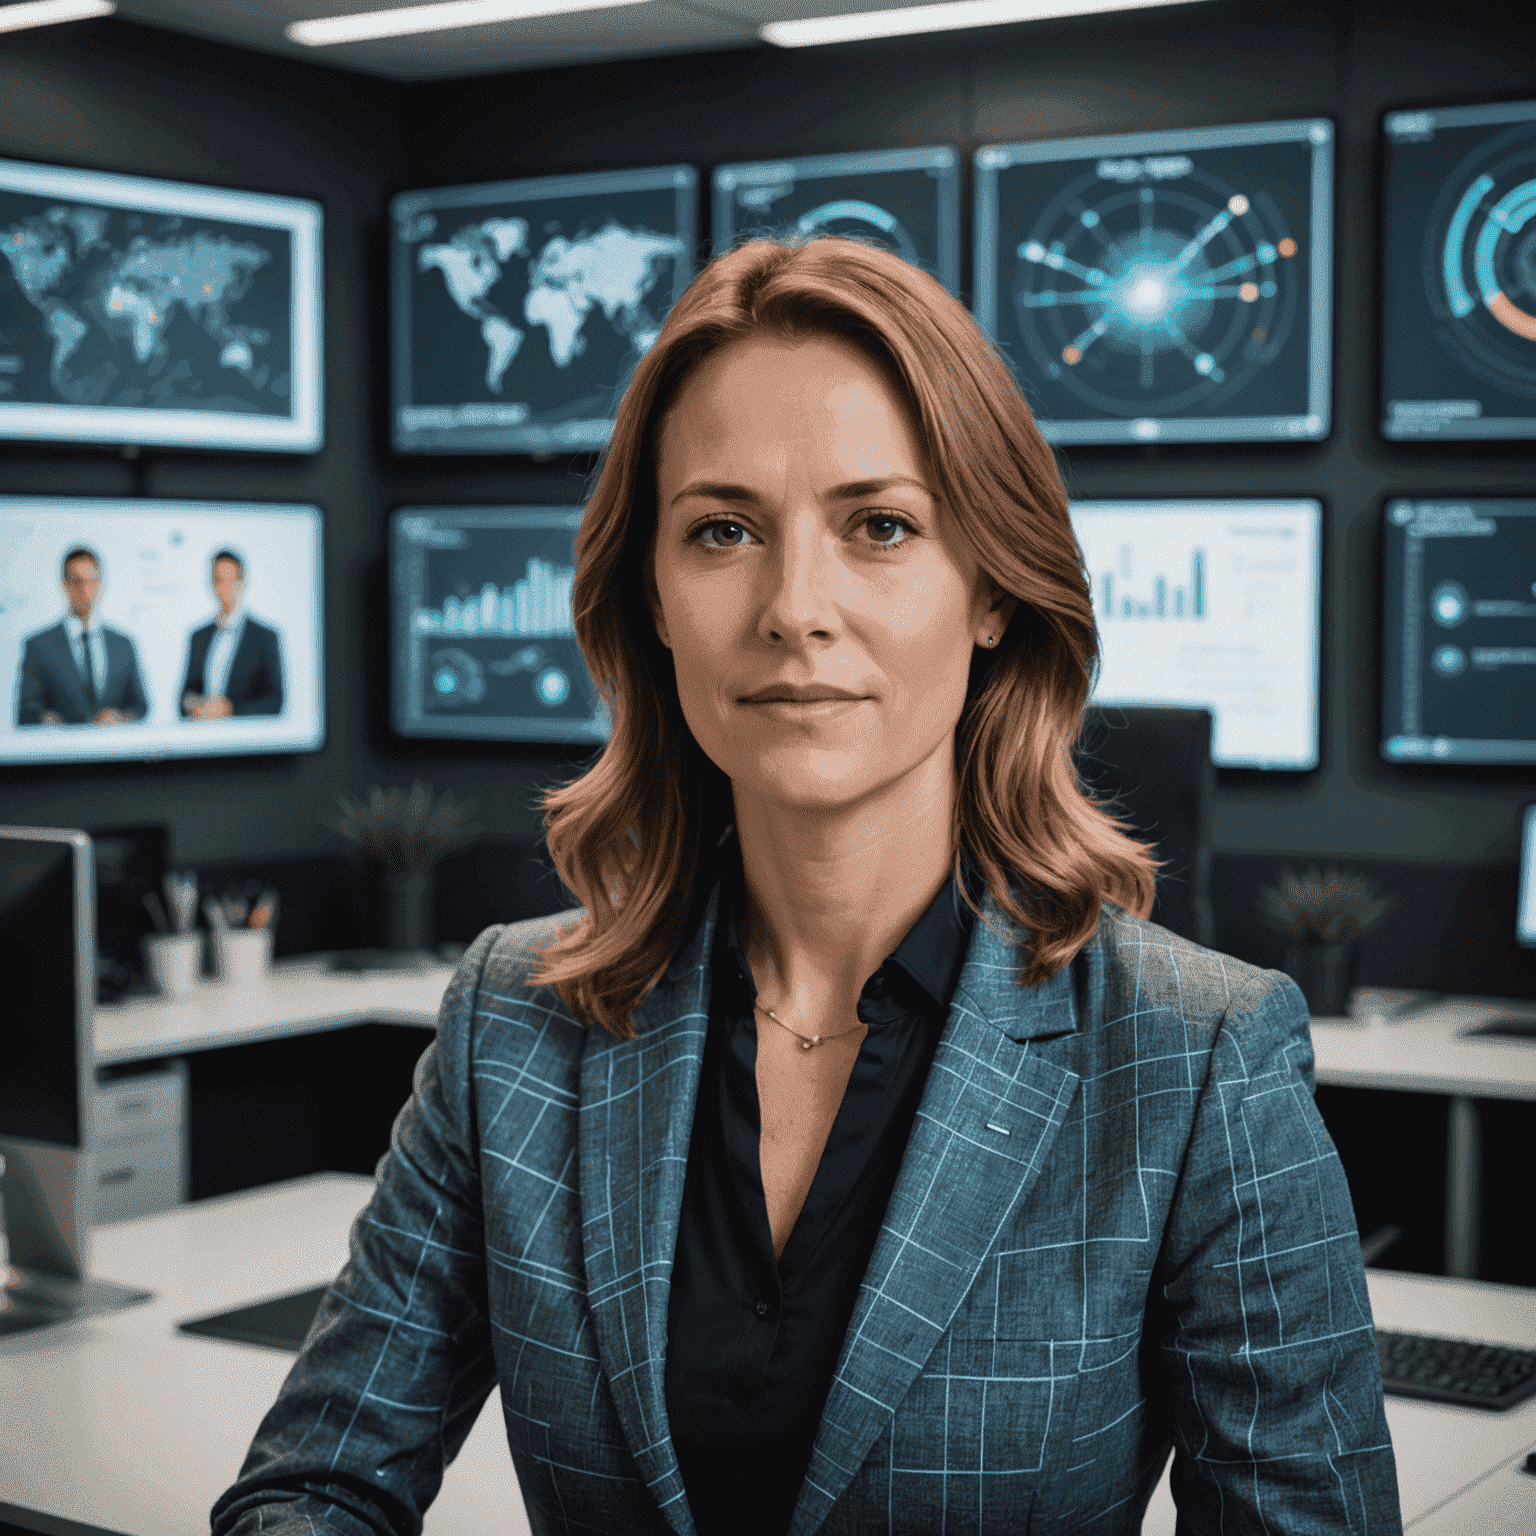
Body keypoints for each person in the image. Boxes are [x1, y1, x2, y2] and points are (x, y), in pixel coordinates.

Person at [213, 239, 1400, 1536]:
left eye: (879, 527)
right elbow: (314, 1489)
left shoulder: (1193, 1059)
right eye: (722, 531)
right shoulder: (515, 1021)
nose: (794, 607)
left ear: (994, 587)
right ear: (654, 598)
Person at [16, 546, 148, 727]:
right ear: (65, 584)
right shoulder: (39, 645)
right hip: (61, 750)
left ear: (101, 584)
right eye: (77, 581)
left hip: (113, 750)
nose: (85, 590)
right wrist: (47, 719)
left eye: (91, 581)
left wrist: (120, 717)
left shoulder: (123, 644)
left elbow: (141, 707)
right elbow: (25, 710)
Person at [179, 549, 284, 719]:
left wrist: (229, 708)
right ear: (212, 584)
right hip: (202, 735)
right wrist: (194, 705)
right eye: (219, 580)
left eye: (231, 580)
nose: (225, 587)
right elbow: (185, 696)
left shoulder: (265, 636)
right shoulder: (199, 637)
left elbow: (275, 701)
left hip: (245, 738)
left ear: (243, 583)